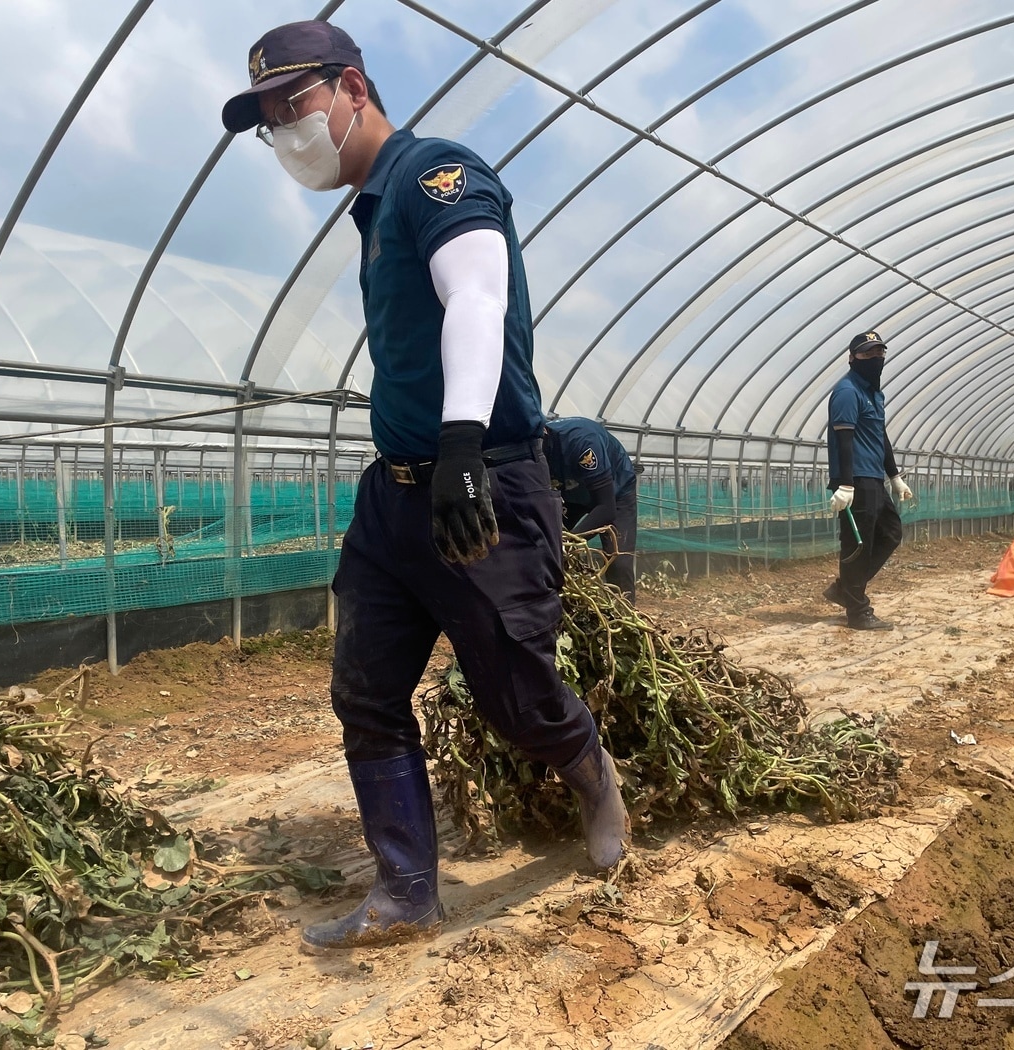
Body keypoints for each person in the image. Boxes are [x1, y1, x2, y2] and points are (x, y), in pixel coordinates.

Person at [222, 21, 628, 951]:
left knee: (518, 701)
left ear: (352, 88)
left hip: (480, 482)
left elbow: (477, 297)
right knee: (365, 691)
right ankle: (406, 888)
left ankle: (594, 774)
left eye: (295, 106)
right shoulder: (370, 209)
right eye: (269, 122)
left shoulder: (436, 173)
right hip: (393, 497)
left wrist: (459, 446)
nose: (285, 133)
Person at [823, 330, 915, 631]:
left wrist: (895, 477)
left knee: (890, 533)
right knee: (856, 545)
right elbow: (844, 439)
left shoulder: (874, 394)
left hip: (874, 477)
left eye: (879, 353)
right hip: (857, 479)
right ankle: (858, 612)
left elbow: (880, 436)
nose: (875, 359)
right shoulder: (848, 392)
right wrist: (845, 484)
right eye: (867, 354)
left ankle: (845, 589)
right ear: (852, 358)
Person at [544, 417, 638, 603]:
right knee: (548, 546)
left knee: (617, 560)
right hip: (573, 494)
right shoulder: (530, 450)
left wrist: (569, 543)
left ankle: (623, 611)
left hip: (615, 493)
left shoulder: (582, 442)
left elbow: (606, 509)